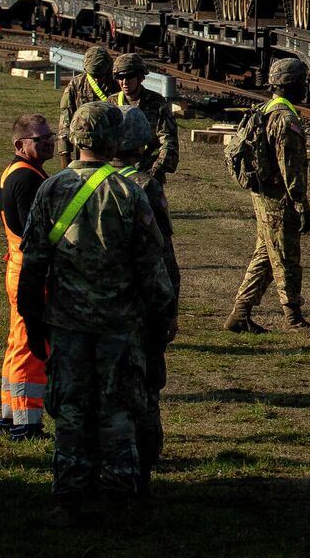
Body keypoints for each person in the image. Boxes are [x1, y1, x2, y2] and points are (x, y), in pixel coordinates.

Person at [17, 102, 177, 523]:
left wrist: (34, 324)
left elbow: (32, 265)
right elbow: (153, 271)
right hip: (120, 326)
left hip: (66, 324)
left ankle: (68, 499)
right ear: (113, 140)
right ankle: (120, 499)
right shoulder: (130, 194)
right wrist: (161, 324)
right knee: (119, 410)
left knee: (70, 412)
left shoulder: (51, 189)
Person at [226, 58, 310, 334]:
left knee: (266, 255)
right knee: (286, 257)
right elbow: (290, 167)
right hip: (279, 199)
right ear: (294, 85)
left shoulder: (265, 109)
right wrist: (301, 203)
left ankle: (240, 313)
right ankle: (293, 317)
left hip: (262, 194)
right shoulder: (286, 118)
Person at [114, 106, 178, 492]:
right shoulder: (146, 187)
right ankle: (143, 459)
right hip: (140, 306)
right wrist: (169, 309)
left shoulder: (68, 184)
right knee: (145, 385)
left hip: (90, 307)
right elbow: (162, 257)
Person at [0, 113, 56, 441]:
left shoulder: (14, 172)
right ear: (20, 144)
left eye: (50, 135)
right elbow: (34, 232)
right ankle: (26, 422)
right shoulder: (28, 179)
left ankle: (10, 413)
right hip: (29, 271)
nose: (49, 141)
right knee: (31, 348)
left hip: (17, 267)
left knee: (17, 342)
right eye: (40, 138)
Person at [110, 53, 179, 204]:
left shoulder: (156, 104)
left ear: (141, 77)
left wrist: (156, 171)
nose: (125, 82)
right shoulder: (111, 103)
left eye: (130, 76)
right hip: (116, 173)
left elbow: (169, 141)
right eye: (120, 77)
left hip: (147, 173)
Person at [56, 46, 117, 165]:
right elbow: (66, 119)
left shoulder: (118, 84)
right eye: (93, 75)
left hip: (113, 151)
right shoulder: (77, 84)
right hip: (86, 150)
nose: (97, 79)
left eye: (100, 75)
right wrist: (65, 153)